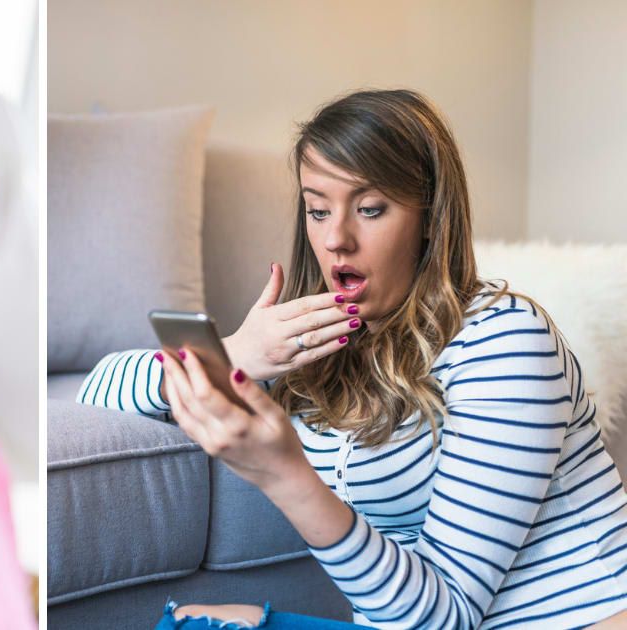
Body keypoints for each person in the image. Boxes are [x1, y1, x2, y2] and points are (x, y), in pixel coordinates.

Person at [78, 89, 627, 628]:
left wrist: (285, 475)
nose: (336, 238)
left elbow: (444, 617)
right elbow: (99, 390)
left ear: (431, 218)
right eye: (317, 210)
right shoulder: (318, 345)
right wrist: (239, 354)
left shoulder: (507, 343)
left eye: (369, 209)